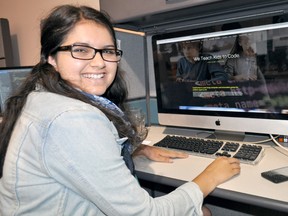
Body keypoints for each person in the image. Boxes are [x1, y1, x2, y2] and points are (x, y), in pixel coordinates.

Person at [0, 5, 240, 215]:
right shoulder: (72, 118)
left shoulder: (42, 97)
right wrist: (209, 177)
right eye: (81, 50)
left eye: (107, 50)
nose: (99, 62)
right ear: (51, 58)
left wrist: (132, 150)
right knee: (203, 210)